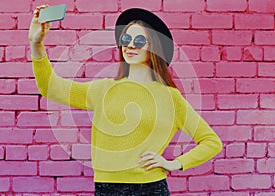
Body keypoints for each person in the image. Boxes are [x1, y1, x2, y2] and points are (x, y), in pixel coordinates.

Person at [29, 5, 223, 196]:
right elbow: (51, 88)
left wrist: (174, 163)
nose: (130, 45)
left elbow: (211, 141)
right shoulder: (103, 89)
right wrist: (36, 44)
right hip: (107, 188)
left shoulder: (170, 98)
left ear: (153, 47)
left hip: (151, 188)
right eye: (126, 39)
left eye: (139, 40)